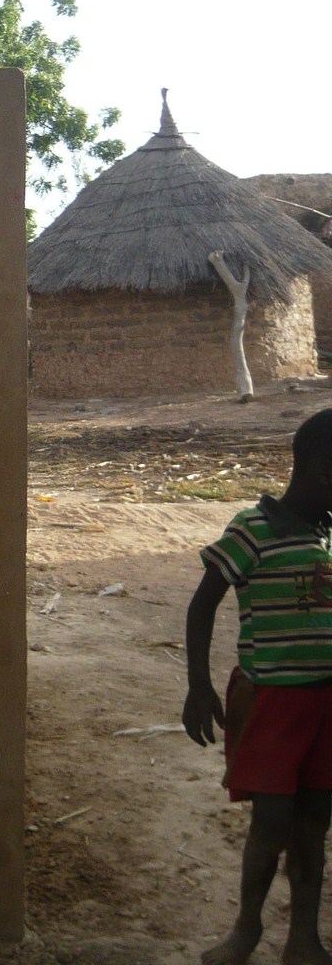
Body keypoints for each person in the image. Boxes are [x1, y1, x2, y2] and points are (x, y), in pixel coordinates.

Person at [183, 407, 332, 965]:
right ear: (324, 471)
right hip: (271, 703)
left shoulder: (327, 533)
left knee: (314, 823)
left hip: (325, 704)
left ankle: (303, 940)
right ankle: (245, 931)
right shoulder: (253, 528)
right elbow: (202, 606)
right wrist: (199, 686)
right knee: (270, 823)